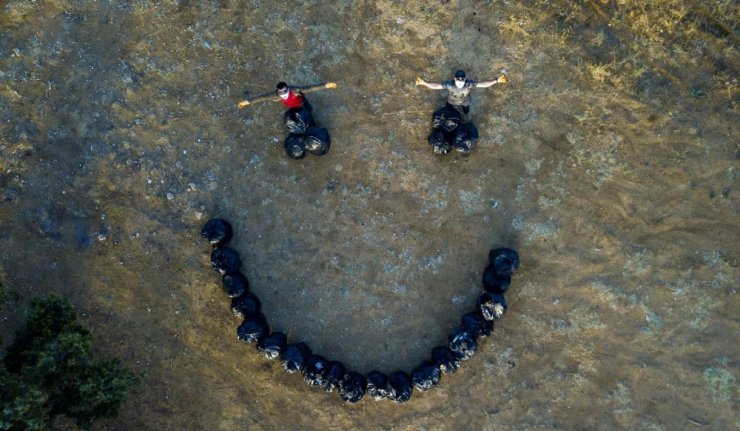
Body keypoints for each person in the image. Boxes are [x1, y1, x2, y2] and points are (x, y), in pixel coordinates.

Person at [415, 69, 507, 114]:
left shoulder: (469, 84)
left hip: (464, 101)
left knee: (466, 111)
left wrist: (496, 81)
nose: (460, 81)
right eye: (458, 79)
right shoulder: (449, 84)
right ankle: (450, 109)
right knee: (448, 109)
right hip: (451, 100)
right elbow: (436, 86)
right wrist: (424, 83)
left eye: (462, 79)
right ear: (454, 79)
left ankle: (465, 113)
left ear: (465, 79)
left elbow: (482, 84)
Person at [237, 82, 337, 109]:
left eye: (285, 91)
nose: (283, 94)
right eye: (281, 92)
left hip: (300, 102)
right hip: (290, 106)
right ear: (277, 91)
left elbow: (310, 88)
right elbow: (260, 98)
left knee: (309, 109)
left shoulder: (295, 90)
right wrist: (245, 103)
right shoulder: (274, 95)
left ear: (288, 89)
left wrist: (326, 85)